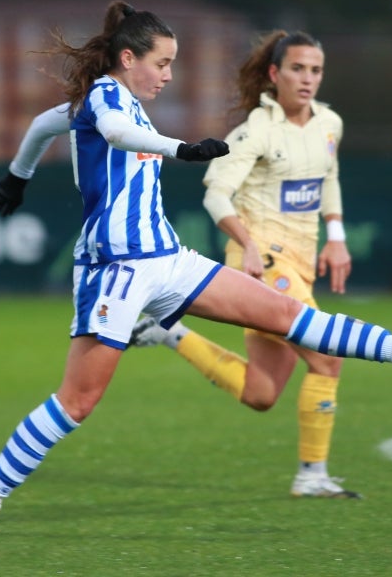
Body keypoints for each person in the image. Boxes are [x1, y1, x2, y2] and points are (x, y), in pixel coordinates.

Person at [0, 0, 392, 556]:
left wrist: (17, 176)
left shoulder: (115, 100)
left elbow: (39, 125)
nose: (170, 74)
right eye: (162, 62)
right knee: (76, 403)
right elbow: (118, 134)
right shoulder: (106, 95)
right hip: (116, 271)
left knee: (291, 318)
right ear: (128, 58)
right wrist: (182, 149)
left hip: (168, 259)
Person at [130, 30, 361, 498]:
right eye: (297, 68)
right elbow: (216, 194)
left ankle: (169, 332)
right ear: (275, 75)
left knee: (261, 394)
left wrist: (335, 238)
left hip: (298, 265)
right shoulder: (256, 130)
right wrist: (247, 244)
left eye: (315, 70)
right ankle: (312, 476)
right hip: (262, 261)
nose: (307, 78)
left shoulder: (329, 124)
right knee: (327, 358)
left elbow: (329, 178)